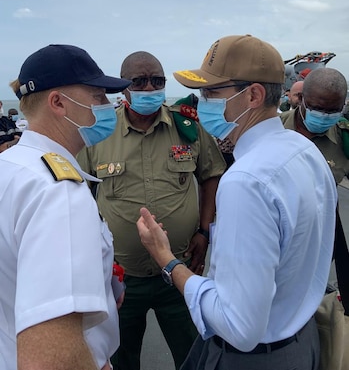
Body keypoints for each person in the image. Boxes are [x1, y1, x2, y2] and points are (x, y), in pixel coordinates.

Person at [136, 34, 337, 370]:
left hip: (256, 358)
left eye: (212, 93)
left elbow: (238, 327)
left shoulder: (246, 181)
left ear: (254, 95)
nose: (202, 103)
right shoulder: (304, 152)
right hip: (302, 340)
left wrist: (167, 261)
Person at [77, 50, 226, 370]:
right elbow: (79, 191)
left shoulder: (187, 125)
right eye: (139, 81)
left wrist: (204, 231)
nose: (149, 88)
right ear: (123, 88)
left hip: (179, 269)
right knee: (120, 353)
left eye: (156, 81)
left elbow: (212, 174)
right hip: (119, 275)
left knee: (191, 352)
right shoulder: (99, 132)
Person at [0, 44, 131, 370]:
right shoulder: (58, 191)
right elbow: (52, 359)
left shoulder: (11, 166)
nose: (107, 105)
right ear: (58, 102)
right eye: (98, 96)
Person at [280, 68, 349, 185]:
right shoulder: (274, 127)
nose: (324, 116)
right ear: (302, 99)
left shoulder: (344, 136)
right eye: (317, 109)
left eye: (333, 111)